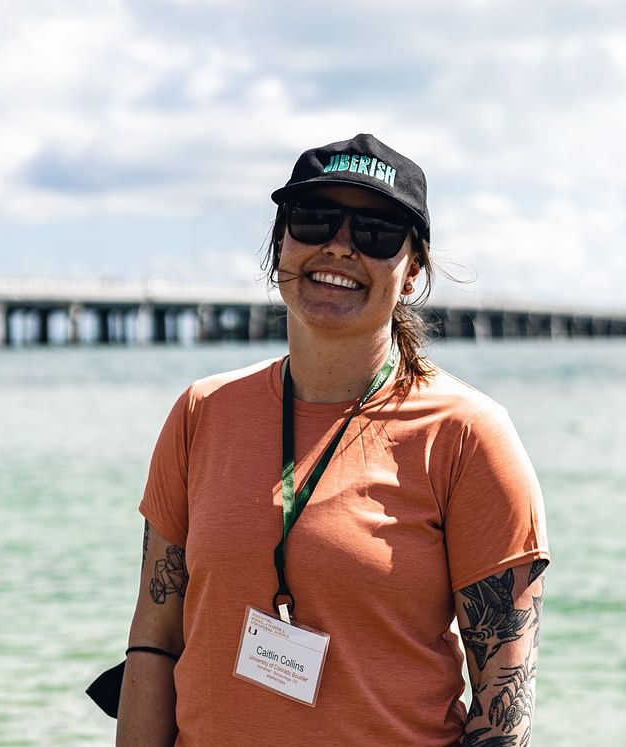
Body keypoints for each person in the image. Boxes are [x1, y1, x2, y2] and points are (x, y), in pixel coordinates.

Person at [115, 133, 550, 746]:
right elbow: (154, 640)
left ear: (413, 271)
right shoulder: (201, 413)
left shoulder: (467, 435)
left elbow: (502, 706)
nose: (340, 246)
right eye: (314, 219)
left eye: (377, 232)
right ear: (280, 244)